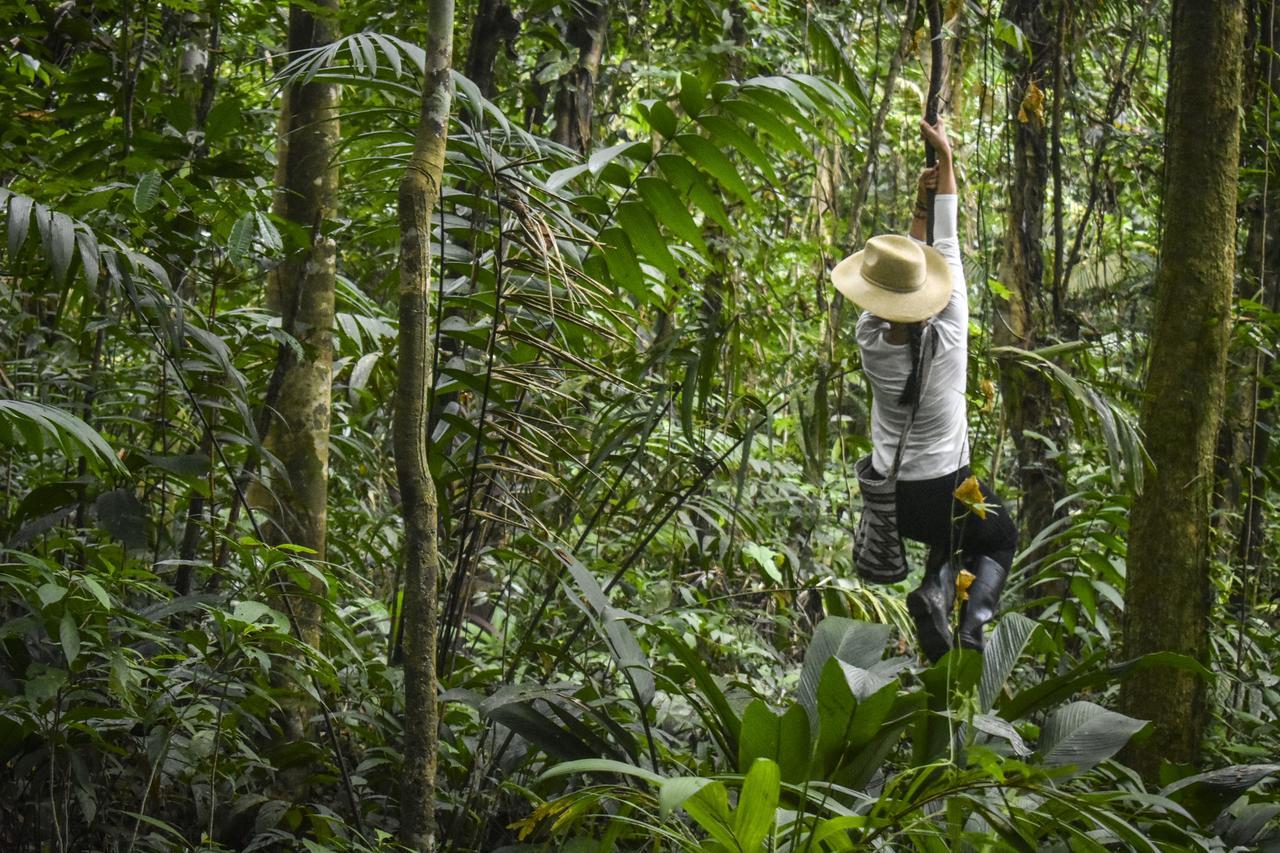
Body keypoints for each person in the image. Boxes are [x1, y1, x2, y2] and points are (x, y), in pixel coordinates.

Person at [830, 116, 1018, 662]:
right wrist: (947, 163)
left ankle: (936, 589)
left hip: (900, 505)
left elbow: (904, 275)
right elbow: (946, 244)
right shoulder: (952, 333)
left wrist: (917, 204)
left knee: (949, 537)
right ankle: (974, 624)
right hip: (951, 492)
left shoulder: (871, 342)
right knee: (1000, 537)